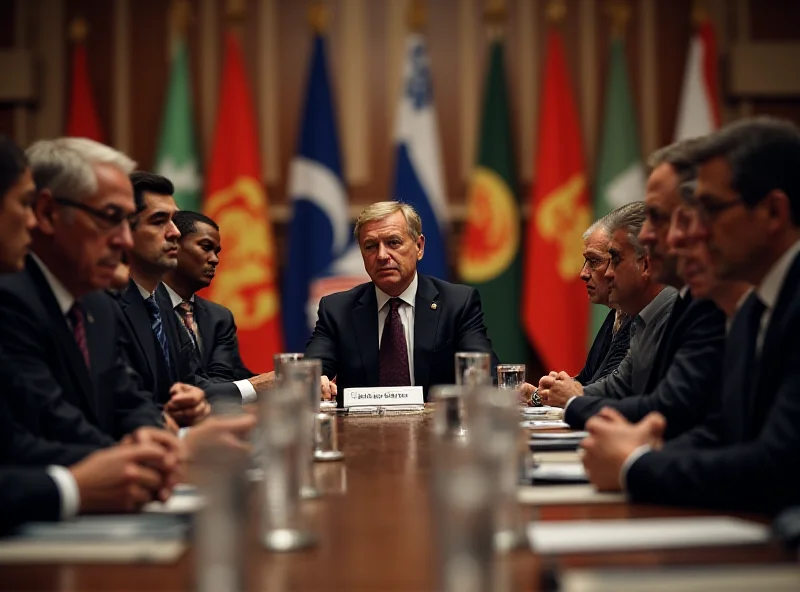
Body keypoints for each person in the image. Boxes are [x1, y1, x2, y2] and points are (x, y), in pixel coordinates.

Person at [581, 117, 800, 514]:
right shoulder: (754, 308)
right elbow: (721, 431)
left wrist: (636, 465)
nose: (688, 234)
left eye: (709, 210)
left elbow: (779, 465)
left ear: (773, 212)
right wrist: (641, 451)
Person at [0, 138, 172, 453]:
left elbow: (129, 399)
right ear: (49, 213)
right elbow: (48, 424)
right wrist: (145, 458)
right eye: (110, 217)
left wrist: (151, 432)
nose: (125, 241)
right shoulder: (10, 298)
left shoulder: (98, 303)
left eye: (127, 220)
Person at [550, 141, 727, 439]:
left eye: (660, 218)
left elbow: (671, 412)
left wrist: (574, 403)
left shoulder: (696, 307)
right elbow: (632, 392)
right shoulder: (681, 305)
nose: (646, 234)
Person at [305, 201, 498, 404]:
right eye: (370, 246)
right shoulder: (337, 310)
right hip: (361, 432)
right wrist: (315, 380)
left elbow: (485, 375)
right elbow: (308, 372)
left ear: (419, 247)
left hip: (436, 431)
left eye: (393, 243)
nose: (381, 255)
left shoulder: (457, 303)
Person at [539, 201, 676, 406]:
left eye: (615, 259)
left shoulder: (674, 313)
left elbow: (658, 407)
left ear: (646, 264)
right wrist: (554, 394)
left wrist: (575, 398)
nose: (609, 273)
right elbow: (614, 386)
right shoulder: (637, 315)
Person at [111, 172, 209, 426]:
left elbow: (187, 384)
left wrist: (194, 401)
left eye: (174, 221)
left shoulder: (164, 302)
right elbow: (119, 404)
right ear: (123, 231)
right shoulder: (106, 305)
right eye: (158, 221)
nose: (175, 232)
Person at [158, 210, 273, 402]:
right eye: (205, 247)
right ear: (173, 245)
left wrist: (289, 381)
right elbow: (182, 384)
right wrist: (260, 385)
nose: (215, 259)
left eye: (217, 251)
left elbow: (227, 378)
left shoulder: (218, 316)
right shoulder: (148, 307)